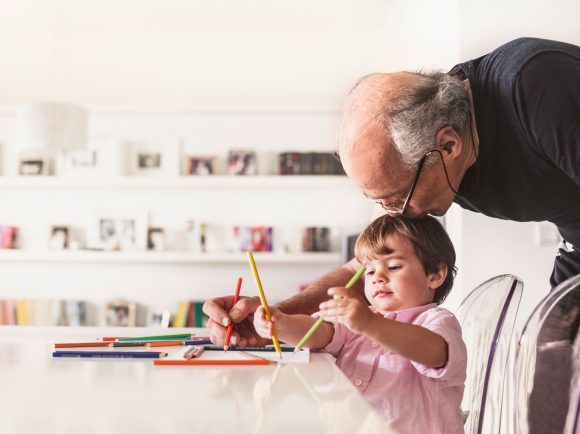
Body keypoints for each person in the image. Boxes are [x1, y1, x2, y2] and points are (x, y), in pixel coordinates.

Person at [203, 37, 580, 348]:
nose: (393, 213)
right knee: (550, 353)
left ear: (448, 146)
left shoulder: (537, 87)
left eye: (397, 196)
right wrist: (271, 318)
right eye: (378, 200)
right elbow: (362, 267)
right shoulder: (422, 155)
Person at [253, 215, 466, 433]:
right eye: (370, 271)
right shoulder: (359, 318)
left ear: (435, 275)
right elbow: (320, 333)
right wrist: (282, 324)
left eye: (393, 267)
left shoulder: (437, 321)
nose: (377, 277)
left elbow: (435, 354)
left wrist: (370, 324)